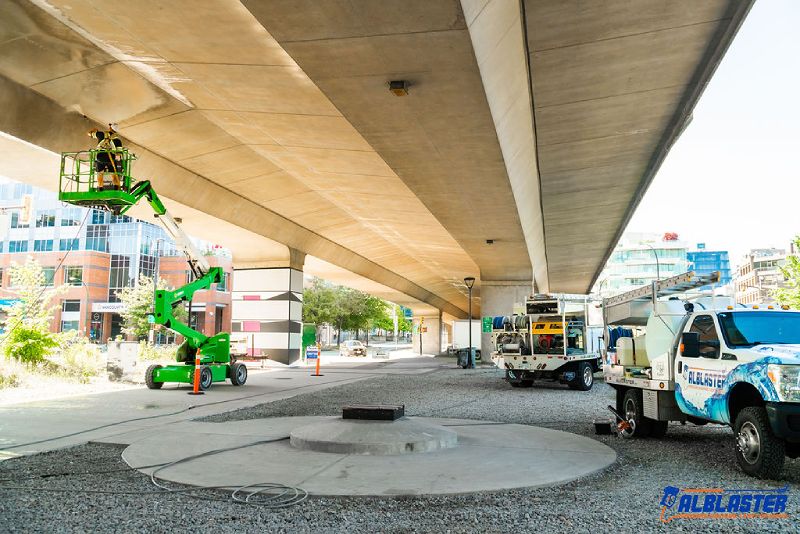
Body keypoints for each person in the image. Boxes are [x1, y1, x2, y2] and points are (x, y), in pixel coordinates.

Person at [88, 125, 124, 190]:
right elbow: (119, 155)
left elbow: (89, 134)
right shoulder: (118, 140)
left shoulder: (101, 134)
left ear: (110, 128)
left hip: (100, 158)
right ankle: (116, 188)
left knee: (100, 173)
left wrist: (94, 130)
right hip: (111, 159)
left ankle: (100, 188)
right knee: (114, 174)